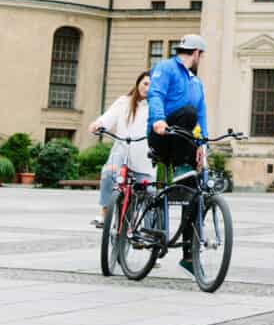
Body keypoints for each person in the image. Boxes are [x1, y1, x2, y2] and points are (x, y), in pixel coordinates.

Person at [147, 34, 211, 276]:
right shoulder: (166, 68)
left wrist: (203, 145)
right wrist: (158, 119)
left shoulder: (196, 82)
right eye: (200, 56)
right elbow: (155, 95)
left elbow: (202, 116)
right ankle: (182, 168)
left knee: (198, 195)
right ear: (195, 53)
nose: (200, 60)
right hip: (162, 136)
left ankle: (188, 256)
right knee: (187, 111)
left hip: (184, 143)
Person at [89, 71, 154, 228]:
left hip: (143, 153)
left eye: (151, 86)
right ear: (138, 83)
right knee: (108, 173)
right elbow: (108, 117)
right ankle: (105, 213)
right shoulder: (123, 102)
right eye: (145, 83)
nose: (147, 88)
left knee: (149, 192)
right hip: (121, 148)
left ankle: (149, 230)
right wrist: (98, 124)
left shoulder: (156, 106)